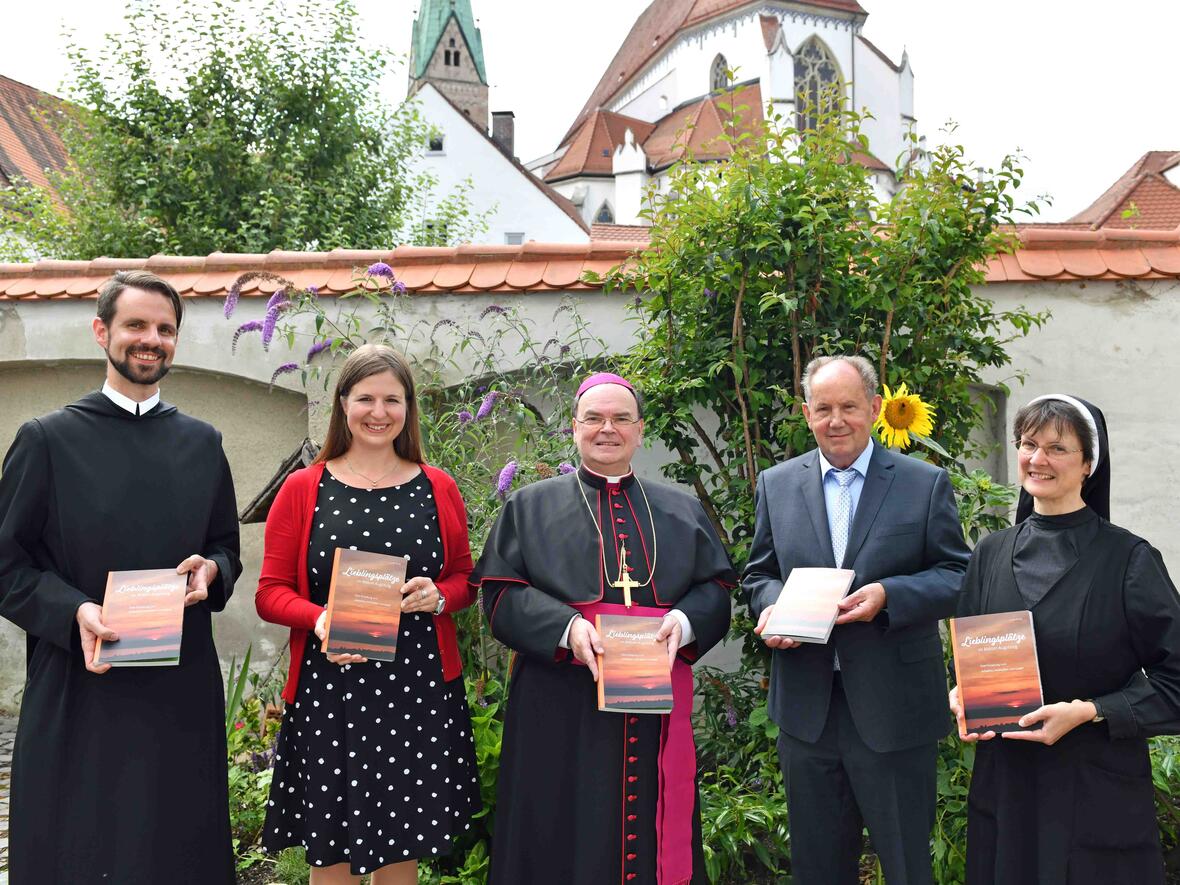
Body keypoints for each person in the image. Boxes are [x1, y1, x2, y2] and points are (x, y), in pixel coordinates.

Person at [0, 270, 242, 884]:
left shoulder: (203, 443)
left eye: (165, 329)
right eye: (136, 325)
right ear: (101, 331)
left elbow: (226, 546)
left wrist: (213, 570)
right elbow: (6, 565)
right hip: (81, 685)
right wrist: (74, 610)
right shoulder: (47, 441)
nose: (151, 340)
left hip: (179, 691)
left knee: (177, 847)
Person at [471, 372, 735, 885]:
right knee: (557, 832)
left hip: (654, 708)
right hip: (559, 708)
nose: (606, 429)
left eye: (620, 419)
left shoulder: (681, 508)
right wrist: (567, 628)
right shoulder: (528, 506)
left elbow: (717, 590)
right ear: (574, 428)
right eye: (594, 418)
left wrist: (682, 622)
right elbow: (500, 597)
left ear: (640, 430)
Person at [256, 344, 480, 884]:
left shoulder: (437, 485)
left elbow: (467, 578)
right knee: (330, 854)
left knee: (401, 846)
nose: (379, 412)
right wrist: (319, 619)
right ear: (342, 404)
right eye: (365, 398)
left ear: (408, 409)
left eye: (392, 400)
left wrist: (440, 595)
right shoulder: (304, 488)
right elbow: (269, 592)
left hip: (416, 686)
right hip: (330, 687)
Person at [744, 354, 970, 885]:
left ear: (873, 408)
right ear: (806, 413)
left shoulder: (923, 483)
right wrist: (771, 606)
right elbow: (758, 574)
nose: (836, 420)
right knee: (818, 867)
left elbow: (957, 574)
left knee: (907, 865)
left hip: (896, 705)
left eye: (848, 406)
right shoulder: (777, 484)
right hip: (807, 709)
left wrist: (889, 595)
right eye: (823, 408)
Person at [950, 394, 1180, 885]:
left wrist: (1091, 711)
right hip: (1008, 789)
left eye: (1057, 448)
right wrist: (962, 695)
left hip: (1094, 791)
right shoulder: (989, 554)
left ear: (1088, 465)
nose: (1037, 459)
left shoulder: (1130, 561)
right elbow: (968, 655)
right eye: (1028, 444)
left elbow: (1176, 681)